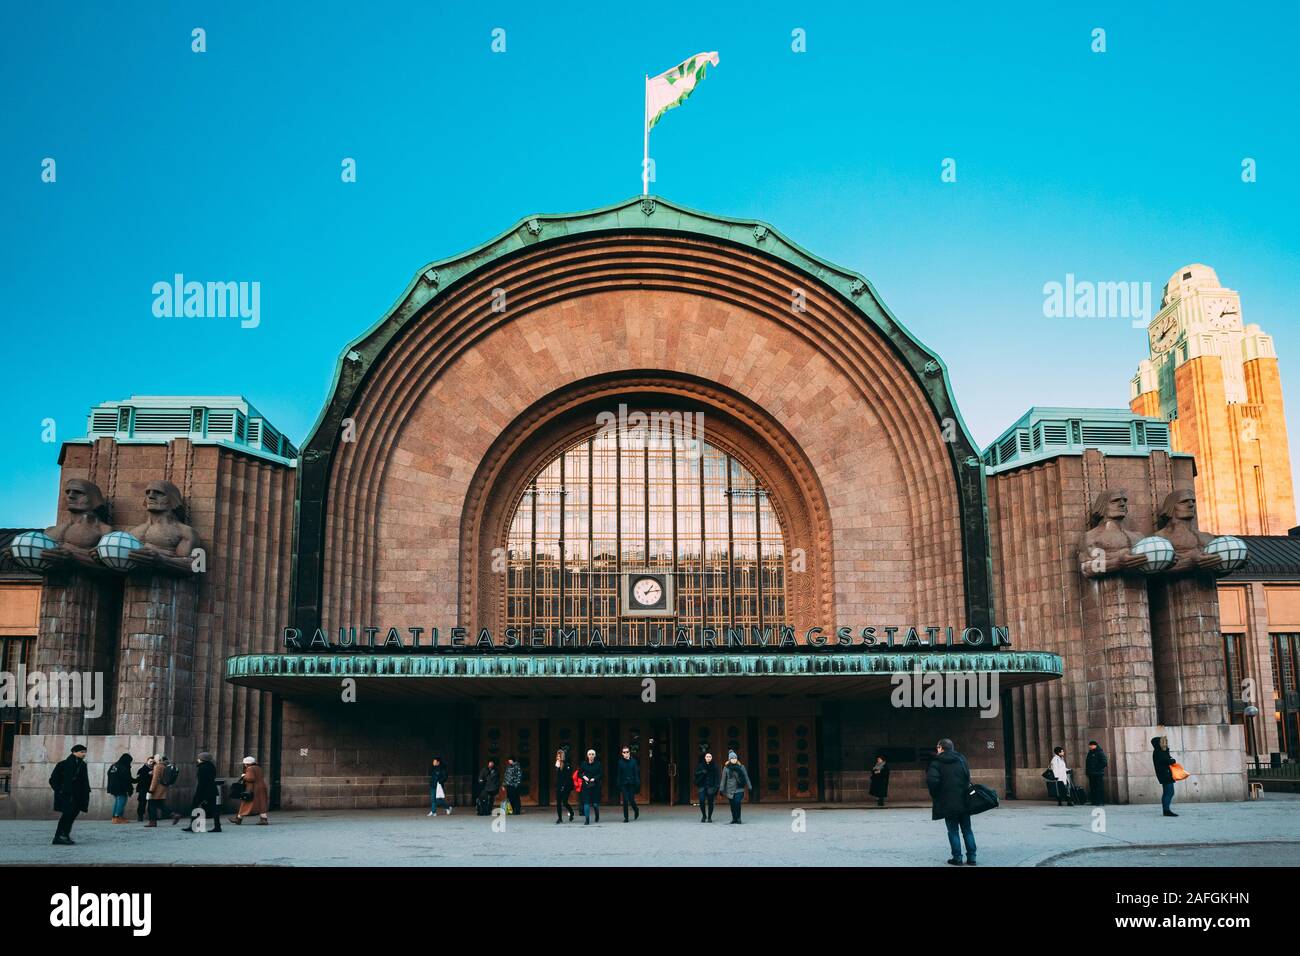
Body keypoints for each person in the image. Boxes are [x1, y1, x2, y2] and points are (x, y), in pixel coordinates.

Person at [927, 738, 976, 866]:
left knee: (953, 830)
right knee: (967, 830)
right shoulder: (962, 759)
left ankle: (957, 858)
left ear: (941, 748)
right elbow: (967, 777)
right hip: (964, 800)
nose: (937, 749)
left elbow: (933, 782)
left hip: (948, 802)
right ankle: (972, 858)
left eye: (938, 747)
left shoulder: (936, 762)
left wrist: (937, 795)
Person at [49, 743, 90, 845]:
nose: (84, 754)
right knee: (66, 816)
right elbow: (53, 780)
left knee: (71, 816)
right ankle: (60, 836)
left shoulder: (82, 765)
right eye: (82, 752)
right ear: (74, 752)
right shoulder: (63, 764)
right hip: (67, 795)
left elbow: (84, 781)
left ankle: (64, 835)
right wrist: (60, 790)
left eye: (85, 752)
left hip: (78, 796)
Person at [183, 752, 222, 833]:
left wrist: (198, 793)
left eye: (199, 758)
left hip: (204, 791)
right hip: (212, 790)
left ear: (202, 759)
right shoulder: (211, 766)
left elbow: (202, 782)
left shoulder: (202, 768)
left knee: (194, 807)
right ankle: (217, 826)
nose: (197, 759)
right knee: (214, 809)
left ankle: (193, 826)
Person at [230, 756, 270, 824]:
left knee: (246, 802)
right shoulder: (258, 768)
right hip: (261, 787)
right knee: (261, 804)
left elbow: (251, 778)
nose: (245, 765)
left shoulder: (250, 768)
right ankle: (264, 819)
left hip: (253, 789)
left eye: (245, 764)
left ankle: (238, 819)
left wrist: (244, 776)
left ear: (248, 763)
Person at [720, 750, 752, 824]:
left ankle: (738, 818)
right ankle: (734, 818)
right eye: (732, 758)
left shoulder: (741, 767)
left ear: (737, 759)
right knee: (732, 805)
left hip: (739, 788)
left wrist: (749, 786)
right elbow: (723, 779)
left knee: (737, 803)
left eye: (735, 758)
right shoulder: (726, 768)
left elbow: (746, 777)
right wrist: (721, 789)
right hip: (730, 789)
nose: (734, 760)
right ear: (729, 759)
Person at [1152, 736, 1178, 817]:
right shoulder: (1158, 752)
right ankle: (1166, 810)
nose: (1165, 744)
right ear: (1158, 743)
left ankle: (1166, 809)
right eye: (1162, 742)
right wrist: (1172, 760)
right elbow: (1168, 760)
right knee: (1168, 792)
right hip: (1165, 774)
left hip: (1166, 774)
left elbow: (1167, 758)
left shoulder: (1160, 751)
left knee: (1169, 792)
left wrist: (1167, 750)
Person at [105, 753, 134, 823]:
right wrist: (136, 780)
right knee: (121, 801)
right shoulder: (123, 766)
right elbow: (127, 778)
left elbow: (109, 774)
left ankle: (115, 817)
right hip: (121, 787)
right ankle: (117, 817)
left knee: (117, 801)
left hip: (113, 787)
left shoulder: (114, 765)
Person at [144, 753, 169, 827]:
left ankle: (152, 822)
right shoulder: (164, 766)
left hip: (156, 789)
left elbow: (155, 780)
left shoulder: (158, 766)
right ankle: (174, 814)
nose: (154, 758)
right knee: (160, 805)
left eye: (155, 757)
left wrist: (151, 790)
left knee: (151, 805)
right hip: (162, 788)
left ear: (159, 759)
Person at [694, 751, 720, 822]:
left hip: (711, 786)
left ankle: (709, 817)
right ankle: (704, 815)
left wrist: (717, 786)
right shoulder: (701, 765)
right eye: (707, 757)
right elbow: (695, 774)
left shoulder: (715, 766)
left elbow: (717, 777)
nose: (708, 758)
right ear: (705, 758)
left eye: (710, 757)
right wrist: (702, 772)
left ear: (711, 758)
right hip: (702, 786)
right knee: (701, 801)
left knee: (710, 802)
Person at [617, 745, 640, 822]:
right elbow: (619, 774)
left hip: (631, 783)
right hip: (624, 784)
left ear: (629, 753)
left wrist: (637, 783)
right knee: (625, 800)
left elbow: (636, 773)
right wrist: (619, 784)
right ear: (622, 753)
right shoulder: (620, 762)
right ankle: (626, 817)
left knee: (631, 800)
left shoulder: (633, 762)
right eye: (624, 752)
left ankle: (636, 810)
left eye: (627, 752)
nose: (626, 753)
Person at [579, 748, 603, 825]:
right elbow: (579, 773)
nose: (591, 756)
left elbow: (601, 774)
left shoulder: (598, 764)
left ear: (595, 756)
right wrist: (583, 777)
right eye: (589, 754)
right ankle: (587, 819)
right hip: (586, 786)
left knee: (595, 804)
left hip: (595, 786)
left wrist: (594, 778)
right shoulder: (583, 764)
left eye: (592, 754)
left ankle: (597, 814)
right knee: (586, 803)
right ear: (587, 756)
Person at [553, 748, 575, 823]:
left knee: (564, 802)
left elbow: (567, 777)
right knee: (558, 802)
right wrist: (557, 767)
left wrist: (563, 786)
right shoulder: (557, 764)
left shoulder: (567, 765)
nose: (558, 757)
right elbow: (557, 776)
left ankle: (571, 812)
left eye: (560, 756)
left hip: (566, 785)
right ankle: (560, 818)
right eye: (557, 756)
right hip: (559, 785)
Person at [1085, 740, 1108, 807]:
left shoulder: (1100, 752)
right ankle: (1094, 801)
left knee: (1099, 788)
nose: (1090, 746)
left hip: (1098, 774)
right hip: (1091, 774)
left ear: (1095, 745)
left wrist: (1096, 768)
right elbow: (1088, 763)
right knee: (1093, 788)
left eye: (1091, 745)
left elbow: (1104, 762)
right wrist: (1087, 772)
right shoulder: (1090, 753)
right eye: (1090, 745)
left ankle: (1101, 801)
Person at [134, 758, 153, 822]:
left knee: (151, 803)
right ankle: (140, 816)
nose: (151, 763)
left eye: (153, 761)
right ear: (147, 761)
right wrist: (148, 774)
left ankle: (151, 816)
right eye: (150, 761)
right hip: (143, 788)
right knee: (142, 802)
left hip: (151, 788)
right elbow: (139, 779)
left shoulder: (155, 769)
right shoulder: (142, 769)